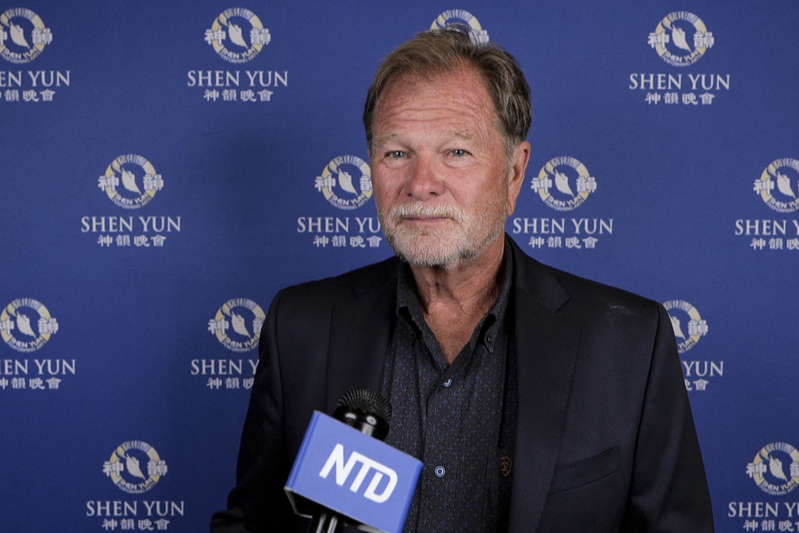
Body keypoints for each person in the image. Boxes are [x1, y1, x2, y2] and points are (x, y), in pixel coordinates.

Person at [211, 28, 714, 533]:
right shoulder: (301, 328)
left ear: (514, 173)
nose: (420, 184)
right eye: (396, 153)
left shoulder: (629, 345)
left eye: (456, 152)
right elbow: (253, 524)